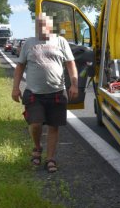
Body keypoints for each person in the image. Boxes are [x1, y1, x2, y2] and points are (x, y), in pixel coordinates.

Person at [11, 13, 78, 173]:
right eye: (39, 25)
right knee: (35, 124)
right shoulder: (29, 43)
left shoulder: (61, 42)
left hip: (56, 92)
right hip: (34, 93)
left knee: (54, 127)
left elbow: (70, 64)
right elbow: (20, 66)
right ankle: (37, 146)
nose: (42, 28)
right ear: (36, 27)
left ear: (51, 26)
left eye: (45, 25)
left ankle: (50, 159)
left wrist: (74, 84)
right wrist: (15, 87)